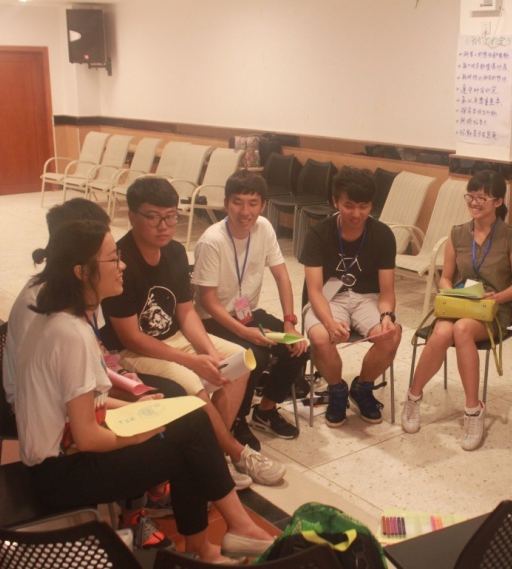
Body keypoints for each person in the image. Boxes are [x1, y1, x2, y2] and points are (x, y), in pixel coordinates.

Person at [16, 219, 274, 563]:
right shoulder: (69, 335)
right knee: (189, 446)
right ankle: (212, 544)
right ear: (82, 271)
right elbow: (88, 438)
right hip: (60, 474)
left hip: (66, 453)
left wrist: (137, 408)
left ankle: (221, 538)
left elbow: (82, 404)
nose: (122, 266)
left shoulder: (64, 318)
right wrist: (141, 433)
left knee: (191, 417)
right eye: (113, 259)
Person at [100, 177, 285, 487]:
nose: (164, 226)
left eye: (171, 216)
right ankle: (235, 453)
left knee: (239, 361)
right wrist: (192, 361)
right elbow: (131, 337)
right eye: (153, 217)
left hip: (173, 338)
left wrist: (211, 354)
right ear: (132, 216)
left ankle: (212, 452)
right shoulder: (122, 262)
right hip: (133, 351)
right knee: (189, 380)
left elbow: (186, 312)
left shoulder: (174, 251)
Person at [3, 199, 183, 411]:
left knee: (168, 395)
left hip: (84, 385)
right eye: (112, 257)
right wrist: (128, 405)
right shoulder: (43, 305)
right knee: (170, 399)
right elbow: (59, 392)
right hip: (47, 402)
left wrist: (121, 374)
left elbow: (98, 348)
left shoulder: (84, 286)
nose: (121, 265)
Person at [402, 170, 512, 451]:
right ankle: (413, 397)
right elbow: (445, 277)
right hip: (461, 302)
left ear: (498, 201)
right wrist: (450, 291)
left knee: (461, 329)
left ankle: (473, 410)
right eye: (471, 196)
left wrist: (496, 297)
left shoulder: (511, 236)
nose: (474, 202)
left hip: (494, 308)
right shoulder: (457, 233)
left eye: (482, 197)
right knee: (441, 332)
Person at [193, 170, 309, 440]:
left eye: (253, 203)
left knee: (298, 347)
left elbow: (281, 275)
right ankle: (237, 420)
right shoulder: (212, 240)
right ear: (226, 204)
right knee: (255, 357)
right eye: (237, 202)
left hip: (247, 314)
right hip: (213, 320)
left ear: (263, 205)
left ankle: (265, 411)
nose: (245, 211)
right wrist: (245, 332)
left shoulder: (263, 228)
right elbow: (207, 299)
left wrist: (290, 322)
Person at [299, 168, 402, 427]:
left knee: (391, 334)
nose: (356, 214)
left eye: (363, 206)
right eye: (349, 206)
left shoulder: (382, 234)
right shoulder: (319, 232)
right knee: (320, 336)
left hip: (367, 297)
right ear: (336, 202)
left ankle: (362, 387)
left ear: (371, 205)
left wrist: (387, 316)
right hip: (328, 299)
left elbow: (386, 291)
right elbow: (314, 290)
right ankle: (337, 390)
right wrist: (329, 322)